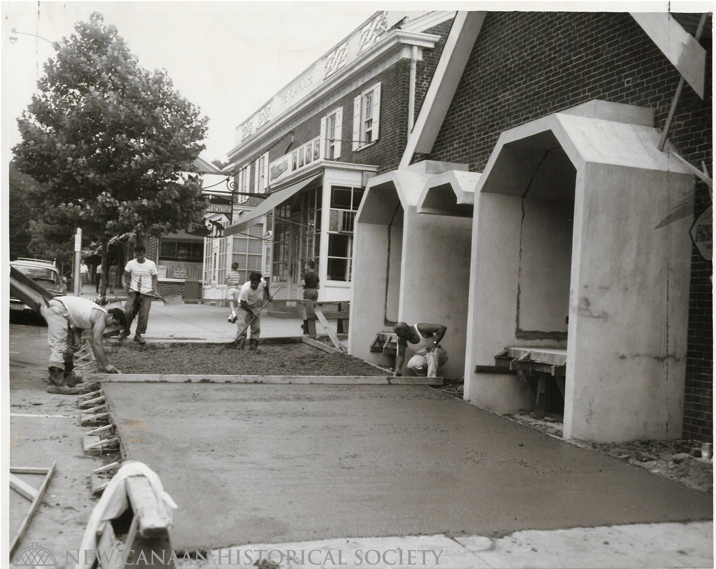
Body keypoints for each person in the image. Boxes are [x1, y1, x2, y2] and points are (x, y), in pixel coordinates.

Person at [39, 296, 125, 390]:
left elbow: (79, 320)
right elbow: (97, 343)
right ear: (110, 316)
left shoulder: (96, 312)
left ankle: (67, 377)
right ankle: (56, 385)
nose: (111, 326)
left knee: (68, 346)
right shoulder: (101, 317)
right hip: (58, 309)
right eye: (114, 323)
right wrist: (107, 365)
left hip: (60, 308)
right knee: (59, 346)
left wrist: (77, 336)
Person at [119, 244, 158, 344]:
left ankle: (138, 334)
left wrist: (155, 290)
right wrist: (124, 283)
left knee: (144, 314)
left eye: (141, 255)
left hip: (147, 292)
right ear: (135, 254)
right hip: (133, 291)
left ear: (144, 254)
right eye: (137, 255)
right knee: (128, 311)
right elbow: (124, 275)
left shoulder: (151, 264)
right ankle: (126, 330)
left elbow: (154, 278)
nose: (139, 257)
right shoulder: (130, 264)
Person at [236, 271, 273, 351]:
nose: (253, 285)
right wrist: (252, 312)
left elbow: (265, 286)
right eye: (252, 283)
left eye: (255, 283)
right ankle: (240, 345)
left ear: (259, 282)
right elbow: (243, 303)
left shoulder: (262, 282)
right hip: (243, 306)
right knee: (242, 326)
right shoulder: (245, 288)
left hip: (254, 305)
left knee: (256, 327)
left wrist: (268, 295)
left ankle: (253, 347)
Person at [300, 260, 320, 335]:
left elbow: (303, 283)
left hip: (308, 292)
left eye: (305, 265)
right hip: (315, 292)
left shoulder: (305, 274)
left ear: (309, 266)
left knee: (306, 309)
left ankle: (306, 328)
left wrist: (303, 286)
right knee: (312, 309)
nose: (305, 267)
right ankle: (311, 326)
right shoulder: (316, 275)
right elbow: (318, 286)